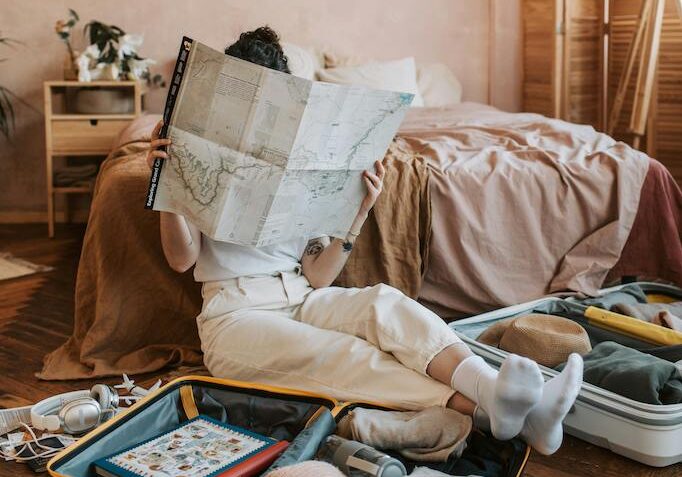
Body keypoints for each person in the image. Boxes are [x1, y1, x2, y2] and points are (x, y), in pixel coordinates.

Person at [147, 26, 583, 456]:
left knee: (384, 304)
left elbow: (317, 277)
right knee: (346, 355)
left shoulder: (302, 152)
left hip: (301, 297)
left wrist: (358, 212)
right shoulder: (198, 147)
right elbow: (181, 260)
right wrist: (165, 186)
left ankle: (501, 393)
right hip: (236, 316)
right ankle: (504, 418)